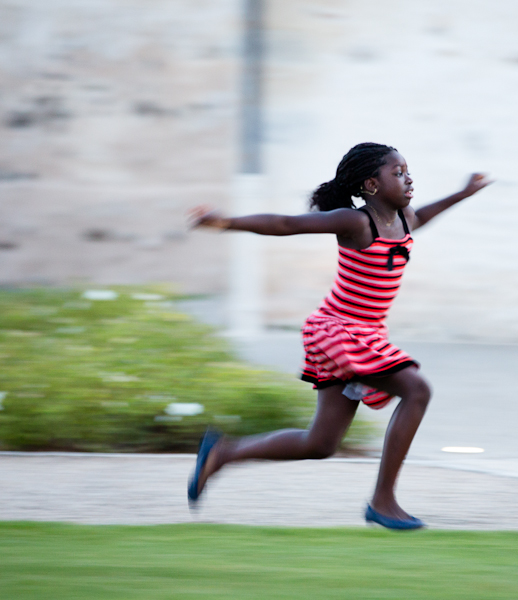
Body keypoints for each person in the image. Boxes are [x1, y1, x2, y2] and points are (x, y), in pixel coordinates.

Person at [186, 142, 491, 529]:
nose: (409, 178)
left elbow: (423, 217)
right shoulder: (356, 223)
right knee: (417, 390)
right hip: (340, 330)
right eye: (397, 173)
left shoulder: (403, 217)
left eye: (407, 171)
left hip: (365, 333)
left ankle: (224, 453)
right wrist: (227, 221)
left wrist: (463, 193)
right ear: (371, 185)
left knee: (320, 444)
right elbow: (287, 224)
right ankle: (383, 501)